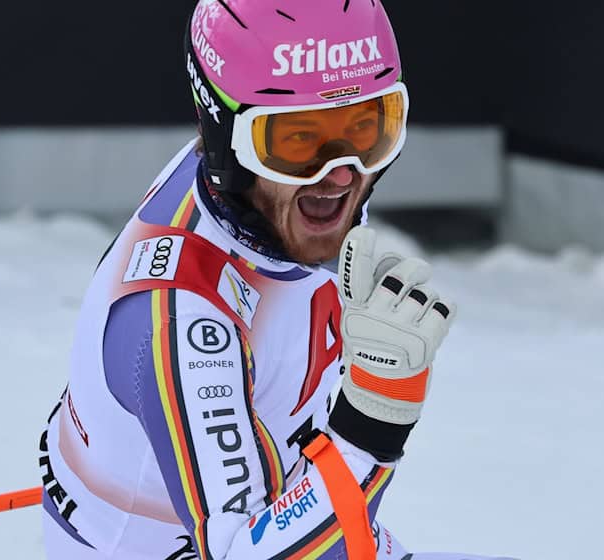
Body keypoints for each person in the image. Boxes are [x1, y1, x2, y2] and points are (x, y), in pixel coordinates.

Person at [38, 2, 511, 559]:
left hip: (293, 516)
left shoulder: (258, 194)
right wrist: (373, 419)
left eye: (368, 128)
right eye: (298, 140)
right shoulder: (184, 322)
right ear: (223, 135)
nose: (341, 174)